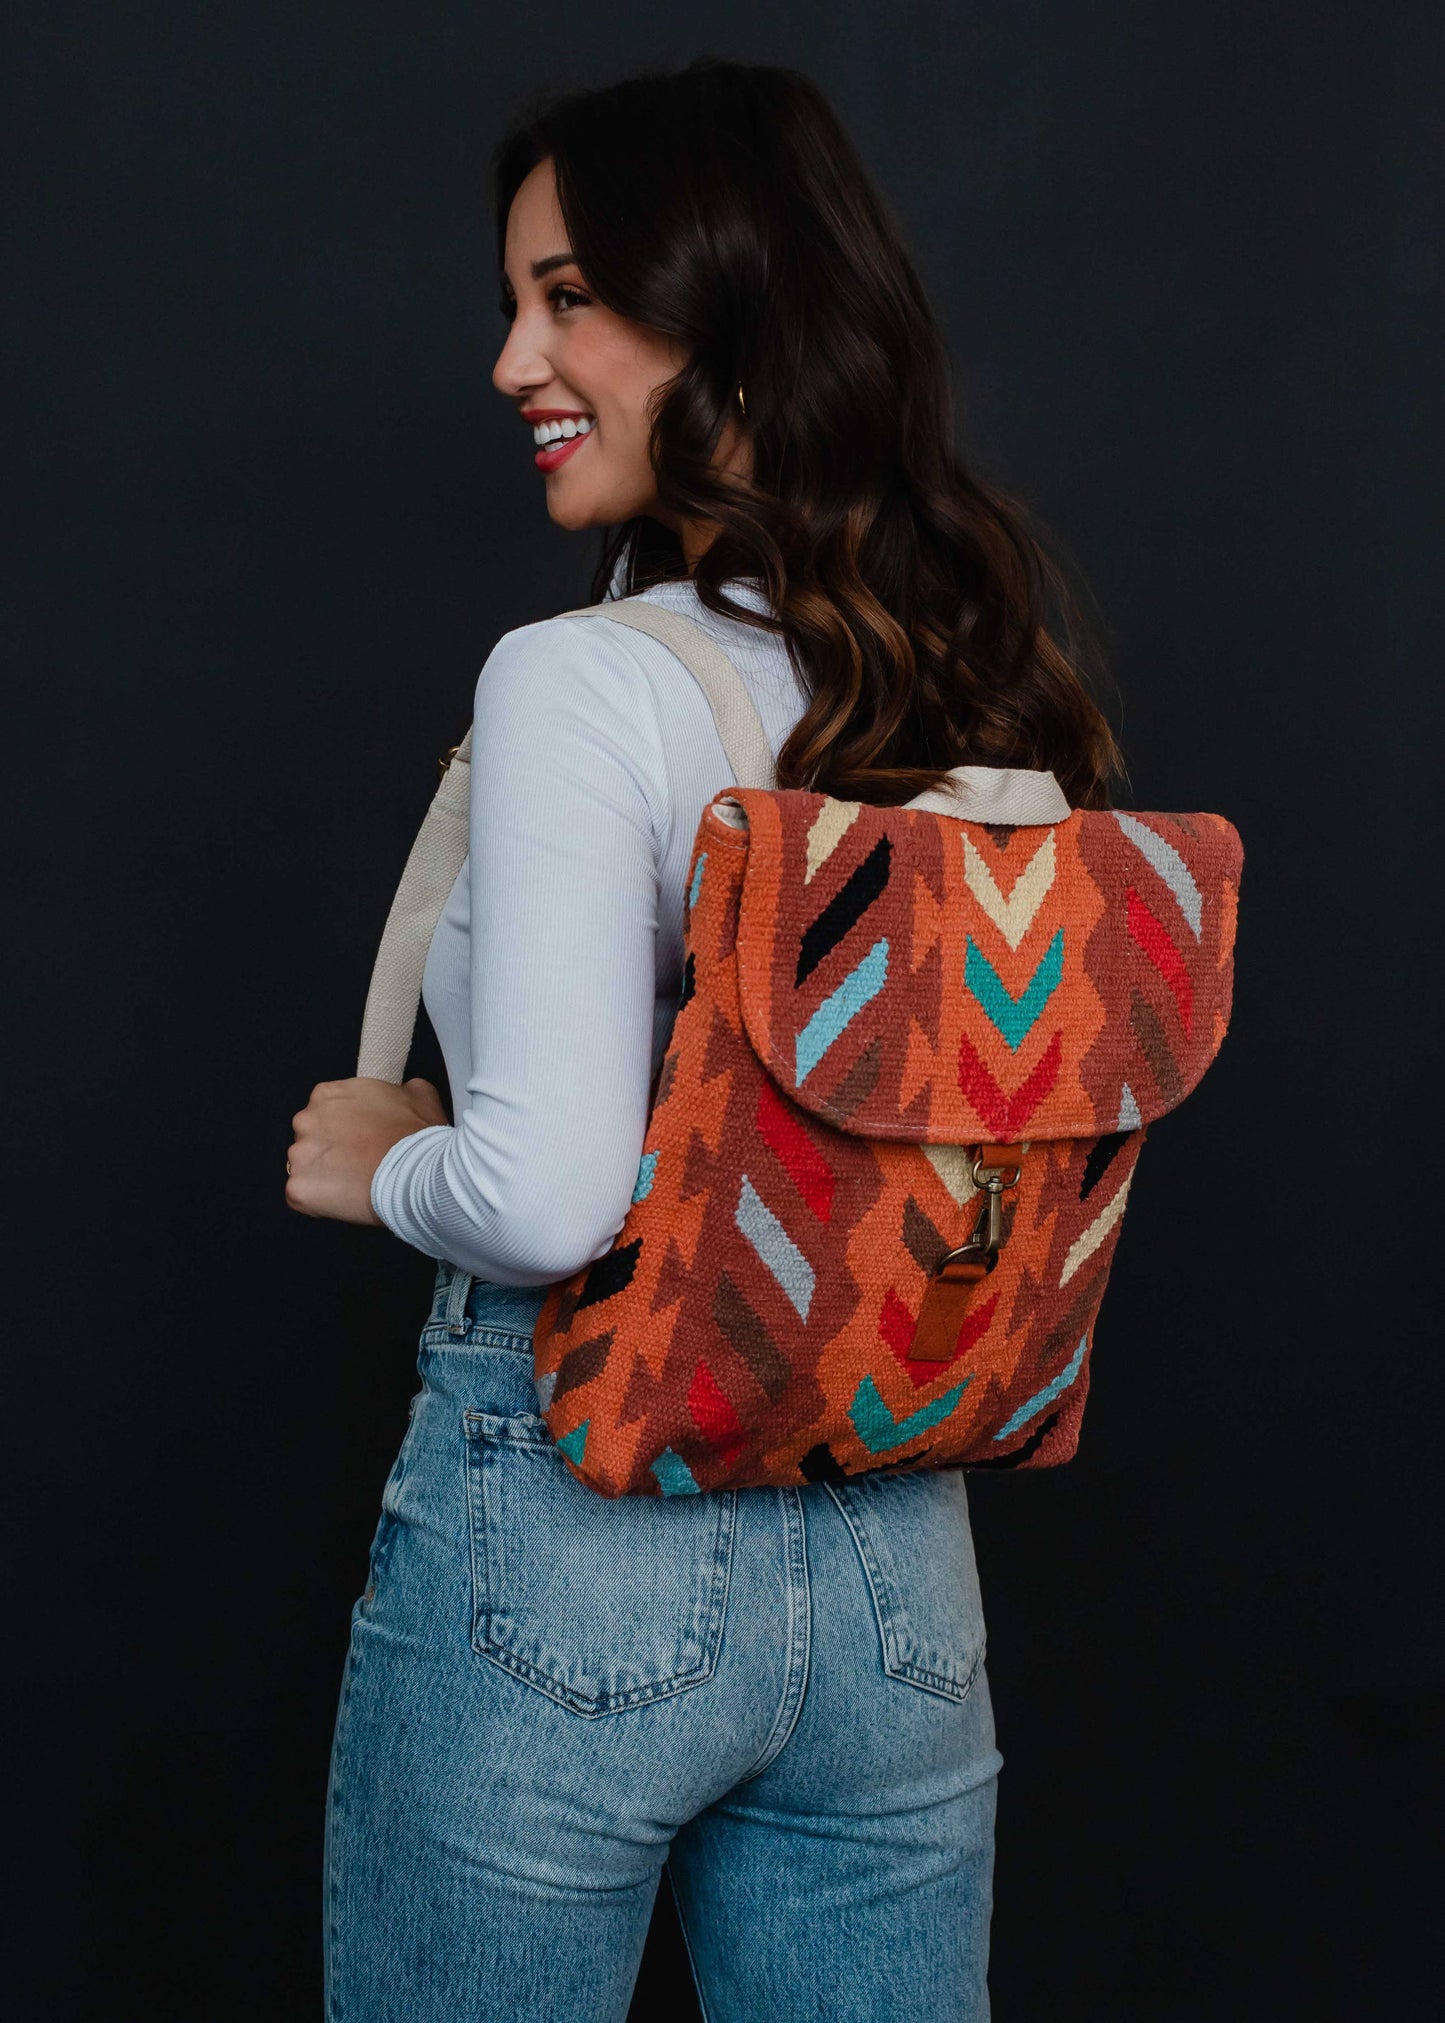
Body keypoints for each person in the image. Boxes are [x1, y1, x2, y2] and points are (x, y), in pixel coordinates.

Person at [286, 58, 1119, 2023]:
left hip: (581, 1515)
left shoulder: (586, 676)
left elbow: (555, 1189)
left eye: (570, 295)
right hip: (905, 1549)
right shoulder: (973, 654)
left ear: (728, 306)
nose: (513, 356)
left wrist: (386, 1153)